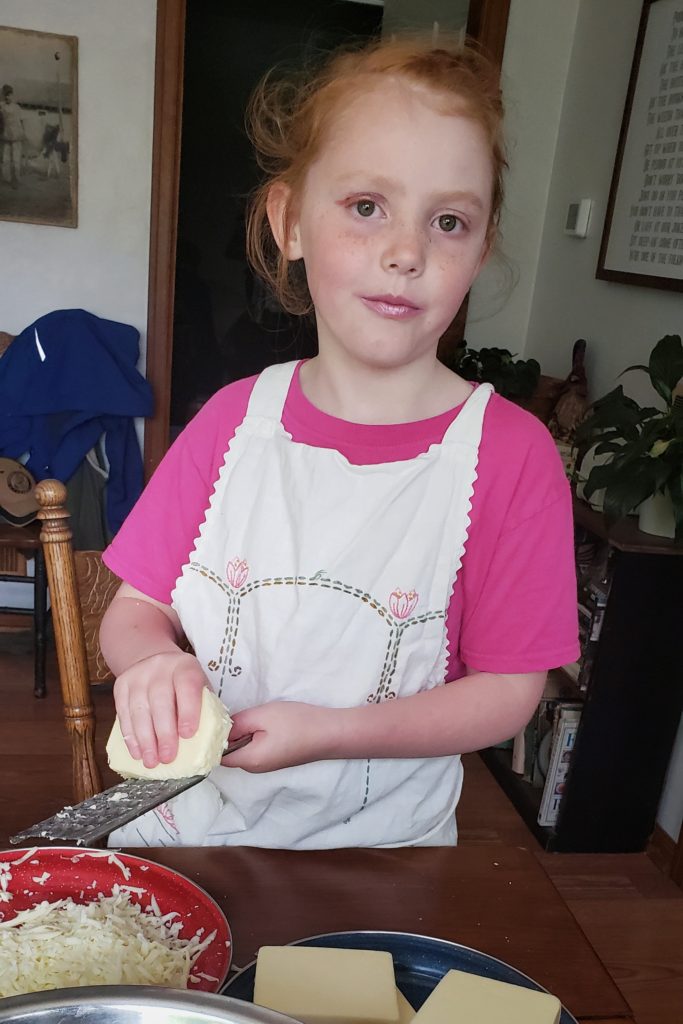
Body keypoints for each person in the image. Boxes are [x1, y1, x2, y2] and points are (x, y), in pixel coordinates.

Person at [100, 36, 579, 849]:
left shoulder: (509, 452)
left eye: (448, 221)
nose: (405, 252)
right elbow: (133, 610)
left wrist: (330, 731)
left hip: (379, 855)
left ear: (481, 248)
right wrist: (150, 663)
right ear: (289, 222)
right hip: (187, 833)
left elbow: (507, 691)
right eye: (366, 207)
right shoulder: (230, 421)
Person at [1, 84, 24, 189]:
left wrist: (21, 133)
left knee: (16, 160)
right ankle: (7, 179)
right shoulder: (2, 106)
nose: (7, 97)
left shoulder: (17, 107)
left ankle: (16, 181)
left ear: (12, 95)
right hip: (6, 136)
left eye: (9, 95)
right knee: (5, 159)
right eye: (5, 95)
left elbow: (21, 121)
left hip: (16, 136)